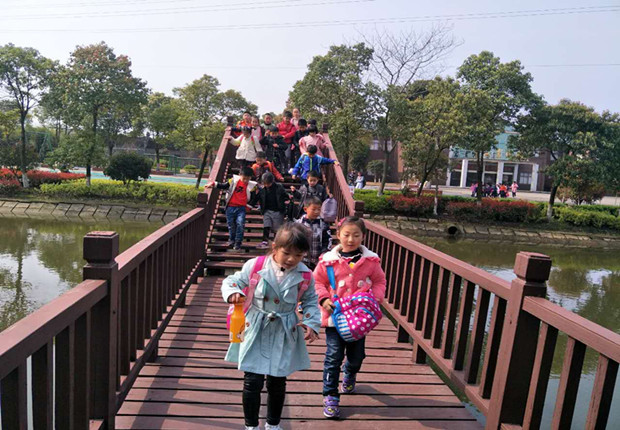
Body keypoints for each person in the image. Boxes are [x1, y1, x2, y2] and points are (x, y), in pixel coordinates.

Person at [221, 223, 320, 430]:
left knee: (277, 381)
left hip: (284, 329)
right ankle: (251, 425)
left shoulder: (305, 275)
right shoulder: (256, 266)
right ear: (274, 247)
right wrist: (233, 293)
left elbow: (311, 300)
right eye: (287, 253)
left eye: (298, 255)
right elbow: (233, 280)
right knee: (252, 379)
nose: (292, 259)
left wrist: (311, 322)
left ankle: (273, 424)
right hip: (256, 326)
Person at [313, 216, 387, 419]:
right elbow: (317, 282)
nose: (351, 239)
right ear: (338, 235)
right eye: (346, 235)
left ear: (363, 236)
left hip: (358, 320)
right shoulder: (328, 261)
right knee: (333, 356)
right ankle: (330, 395)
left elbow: (379, 281)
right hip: (334, 317)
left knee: (356, 357)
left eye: (356, 235)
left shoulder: (370, 261)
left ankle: (350, 372)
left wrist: (375, 299)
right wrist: (323, 299)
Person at [205, 166, 258, 251]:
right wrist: (213, 184)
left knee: (240, 224)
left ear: (250, 178)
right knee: (231, 225)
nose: (245, 181)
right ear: (240, 175)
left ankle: (238, 242)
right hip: (230, 207)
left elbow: (254, 198)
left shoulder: (252, 186)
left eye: (247, 179)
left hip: (241, 208)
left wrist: (249, 206)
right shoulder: (233, 181)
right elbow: (224, 185)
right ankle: (232, 240)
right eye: (244, 178)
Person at [295, 196, 332, 270]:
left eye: (319, 209)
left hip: (318, 260)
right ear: (305, 209)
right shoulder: (298, 224)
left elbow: (327, 240)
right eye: (314, 209)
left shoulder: (323, 224)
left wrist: (324, 252)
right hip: (302, 260)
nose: (316, 212)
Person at [254, 172, 288, 249]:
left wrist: (288, 197)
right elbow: (256, 198)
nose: (266, 185)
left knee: (277, 228)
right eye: (264, 183)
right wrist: (250, 204)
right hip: (267, 210)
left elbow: (285, 195)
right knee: (266, 225)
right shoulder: (262, 190)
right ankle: (265, 241)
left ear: (272, 181)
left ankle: (276, 242)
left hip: (277, 211)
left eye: (268, 183)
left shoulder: (279, 187)